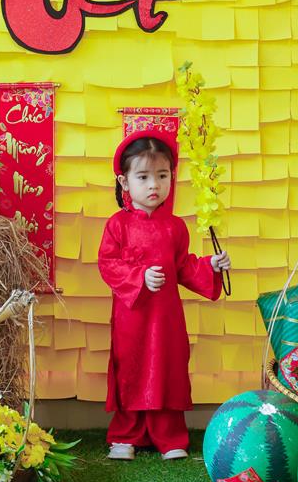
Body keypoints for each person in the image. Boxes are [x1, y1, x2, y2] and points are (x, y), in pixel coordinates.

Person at [98, 129, 231, 460]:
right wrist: (139, 277)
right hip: (132, 317)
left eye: (162, 175)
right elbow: (108, 264)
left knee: (168, 368)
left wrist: (211, 265)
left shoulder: (176, 227)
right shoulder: (117, 225)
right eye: (143, 177)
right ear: (124, 181)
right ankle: (125, 436)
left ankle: (170, 436)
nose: (153, 185)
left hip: (167, 317)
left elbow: (183, 266)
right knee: (130, 368)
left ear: (172, 177)